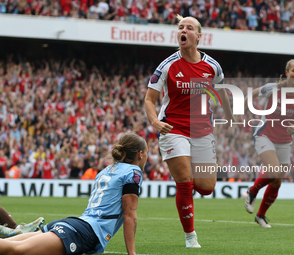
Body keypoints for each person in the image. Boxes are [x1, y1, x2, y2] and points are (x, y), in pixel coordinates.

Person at [144, 15, 234, 248]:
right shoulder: (167, 66)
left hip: (203, 130)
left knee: (206, 187)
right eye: (180, 27)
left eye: (189, 28)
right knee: (184, 182)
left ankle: (188, 193)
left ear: (198, 36)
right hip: (173, 128)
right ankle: (190, 236)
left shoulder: (212, 66)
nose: (183, 30)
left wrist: (230, 113)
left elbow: (222, 90)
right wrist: (155, 122)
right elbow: (149, 100)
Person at [0, 133, 147, 255]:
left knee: (8, 244)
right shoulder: (133, 172)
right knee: (14, 250)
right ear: (140, 154)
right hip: (83, 233)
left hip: (74, 225)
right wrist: (132, 254)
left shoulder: (106, 170)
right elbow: (129, 215)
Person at [244, 59, 294, 228]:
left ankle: (261, 216)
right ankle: (252, 192)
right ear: (287, 72)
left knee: (277, 182)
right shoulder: (273, 88)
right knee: (273, 171)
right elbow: (251, 94)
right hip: (265, 134)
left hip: (285, 140)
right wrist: (240, 112)